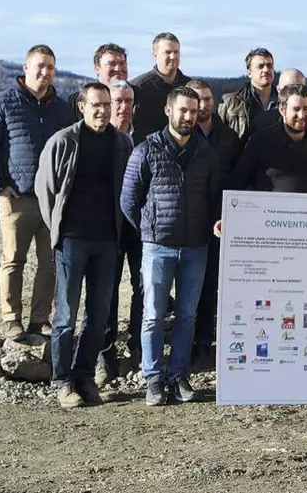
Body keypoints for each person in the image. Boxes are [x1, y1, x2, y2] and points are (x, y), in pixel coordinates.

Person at [121, 87, 222, 406]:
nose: (189, 116)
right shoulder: (146, 150)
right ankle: (153, 379)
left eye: (194, 111)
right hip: (157, 247)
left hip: (196, 247)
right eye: (183, 110)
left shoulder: (206, 153)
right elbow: (129, 200)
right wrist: (150, 229)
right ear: (168, 111)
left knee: (187, 316)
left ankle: (179, 375)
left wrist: (212, 224)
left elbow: (214, 199)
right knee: (152, 315)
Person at [35, 83, 132, 408]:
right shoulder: (63, 142)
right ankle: (62, 382)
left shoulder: (122, 143)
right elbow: (45, 190)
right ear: (81, 106)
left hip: (107, 242)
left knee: (99, 314)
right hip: (72, 241)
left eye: (106, 104)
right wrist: (59, 231)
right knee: (65, 315)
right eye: (96, 105)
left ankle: (84, 376)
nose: (103, 110)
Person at [0, 44, 73, 341]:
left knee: (49, 263)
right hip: (15, 197)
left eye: (51, 68)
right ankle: (11, 319)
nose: (45, 72)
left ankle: (38, 320)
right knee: (13, 260)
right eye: (40, 66)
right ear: (26, 68)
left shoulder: (61, 108)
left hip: (51, 200)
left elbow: (70, 147)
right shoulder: (1, 102)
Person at [185, 79, 241, 368]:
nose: (203, 104)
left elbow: (237, 178)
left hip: (221, 220)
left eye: (207, 99)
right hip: (189, 219)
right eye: (198, 100)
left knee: (211, 285)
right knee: (187, 286)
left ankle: (206, 342)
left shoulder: (229, 137)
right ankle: (186, 342)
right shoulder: (183, 135)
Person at [95, 80, 143, 383]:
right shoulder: (97, 139)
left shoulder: (146, 140)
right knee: (106, 291)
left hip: (139, 227)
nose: (122, 107)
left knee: (143, 287)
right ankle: (105, 354)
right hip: (105, 228)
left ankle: (138, 349)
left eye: (127, 101)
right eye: (117, 101)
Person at [233, 84, 307, 193]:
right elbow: (239, 182)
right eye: (296, 109)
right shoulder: (261, 141)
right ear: (282, 110)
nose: (302, 115)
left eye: (306, 109)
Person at [130, 32, 191, 145]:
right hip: (150, 152)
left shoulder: (189, 86)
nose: (173, 57)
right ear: (155, 55)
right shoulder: (138, 87)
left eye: (176, 52)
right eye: (168, 52)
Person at [218, 48, 277, 140]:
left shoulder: (284, 101)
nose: (266, 70)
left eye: (269, 66)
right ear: (249, 73)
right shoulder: (231, 103)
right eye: (260, 66)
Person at [68, 43, 130, 121]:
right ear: (97, 69)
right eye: (111, 64)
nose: (118, 69)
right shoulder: (78, 101)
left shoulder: (140, 97)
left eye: (122, 63)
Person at [250, 68, 307, 134]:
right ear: (279, 90)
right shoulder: (263, 122)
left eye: (299, 88)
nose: (295, 93)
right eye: (289, 89)